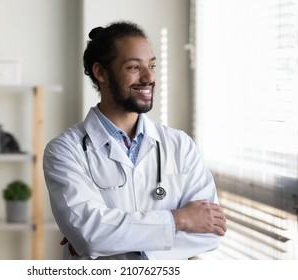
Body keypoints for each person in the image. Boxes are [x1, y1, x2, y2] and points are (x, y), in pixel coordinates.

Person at [43, 21, 227, 260]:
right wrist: (180, 219)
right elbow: (89, 235)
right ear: (101, 73)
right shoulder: (65, 150)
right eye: (133, 67)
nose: (149, 77)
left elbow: (211, 231)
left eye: (152, 65)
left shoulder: (180, 145)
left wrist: (112, 240)